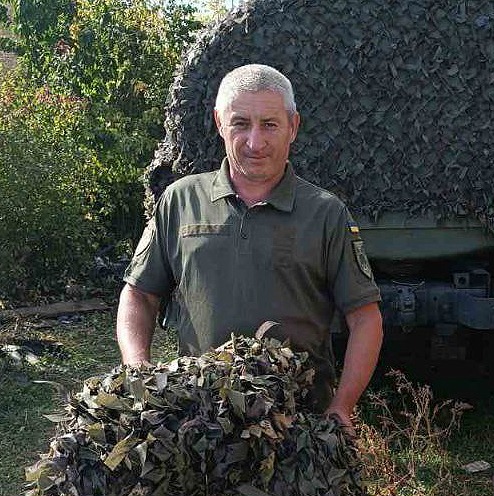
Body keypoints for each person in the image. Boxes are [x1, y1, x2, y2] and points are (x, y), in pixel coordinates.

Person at [117, 64, 383, 431]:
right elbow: (138, 295)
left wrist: (341, 407)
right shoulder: (180, 201)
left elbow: (366, 318)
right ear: (219, 122)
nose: (255, 143)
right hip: (199, 423)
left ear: (293, 126)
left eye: (270, 125)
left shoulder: (326, 213)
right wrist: (138, 372)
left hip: (297, 425)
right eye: (240, 124)